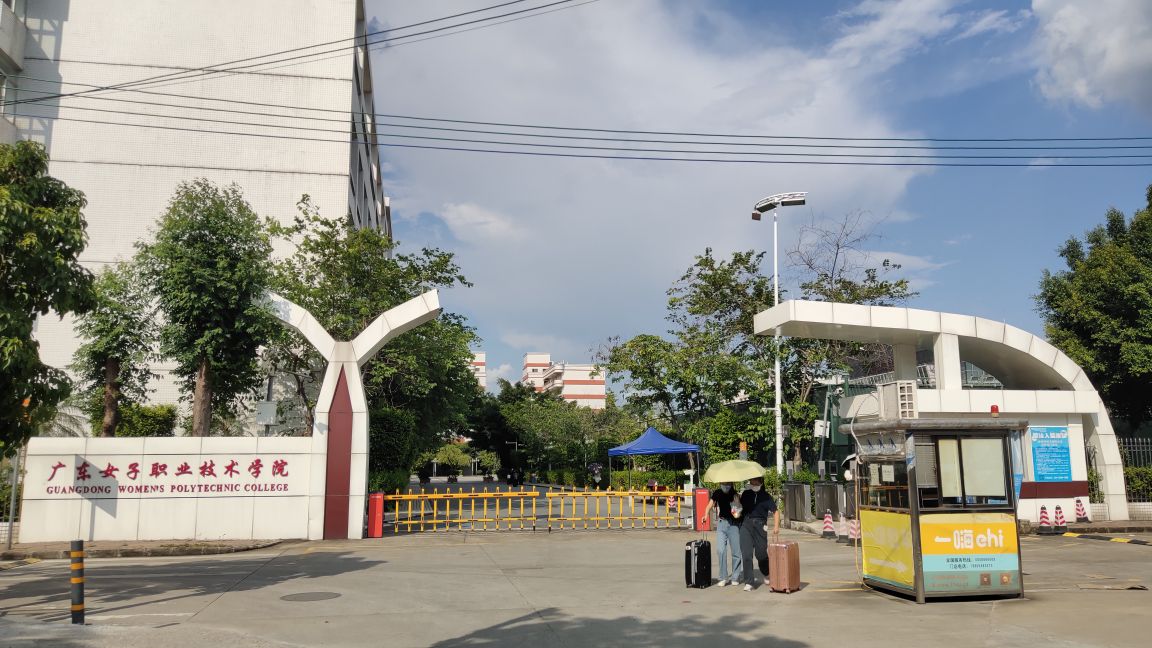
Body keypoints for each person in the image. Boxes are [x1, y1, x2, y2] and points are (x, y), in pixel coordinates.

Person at [738, 476, 781, 591]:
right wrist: (736, 504)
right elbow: (739, 508)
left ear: (761, 482)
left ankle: (766, 572)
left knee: (761, 554)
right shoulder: (746, 494)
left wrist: (776, 526)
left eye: (756, 481)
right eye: (752, 481)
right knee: (746, 554)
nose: (753, 483)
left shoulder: (766, 496)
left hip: (760, 525)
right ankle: (749, 582)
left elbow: (775, 512)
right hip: (746, 524)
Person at [700, 482, 743, 586]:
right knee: (721, 550)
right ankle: (723, 577)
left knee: (736, 551)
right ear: (720, 483)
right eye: (724, 483)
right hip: (721, 523)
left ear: (731, 484)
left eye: (728, 483)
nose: (726, 485)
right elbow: (709, 505)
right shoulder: (717, 493)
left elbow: (738, 512)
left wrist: (736, 503)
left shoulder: (734, 494)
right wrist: (705, 515)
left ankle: (735, 577)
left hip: (733, 524)